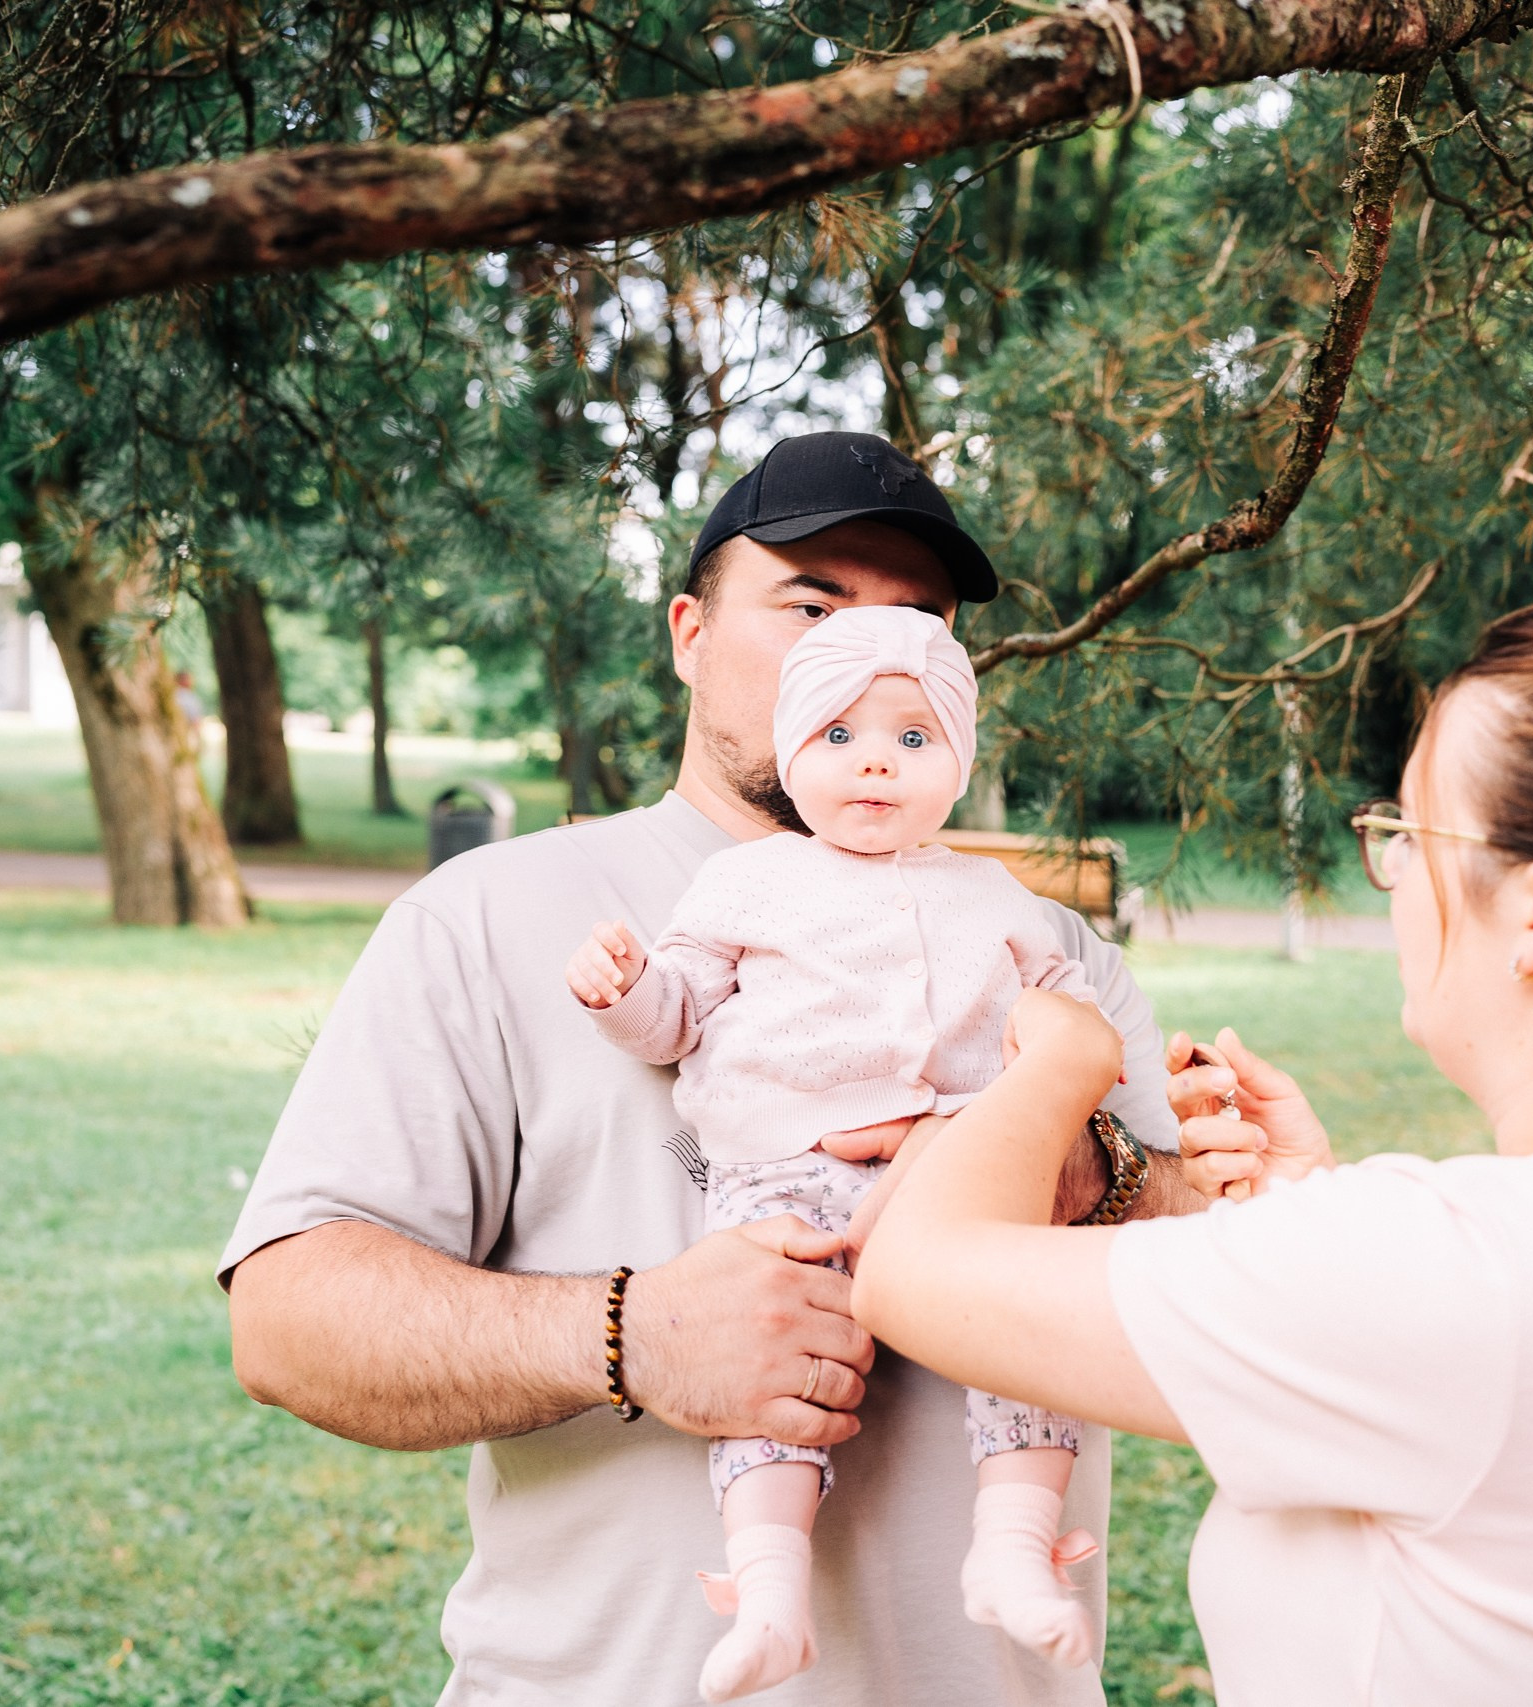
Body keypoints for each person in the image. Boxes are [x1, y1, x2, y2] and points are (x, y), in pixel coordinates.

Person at [853, 593, 1533, 1706]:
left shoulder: (1458, 1272)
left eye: (1406, 834)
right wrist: (1311, 1203)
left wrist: (1061, 1054)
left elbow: (913, 1274)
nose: (1389, 875)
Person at [220, 431, 1201, 1707]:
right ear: (689, 632)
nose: (864, 652)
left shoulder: (1041, 945)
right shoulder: (493, 918)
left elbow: (1207, 1287)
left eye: (916, 623)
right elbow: (288, 1321)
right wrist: (632, 1332)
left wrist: (1084, 1166)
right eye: (810, 606)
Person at [571, 605, 1110, 1698]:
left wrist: (1050, 1081)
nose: (875, 762)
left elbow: (1064, 1018)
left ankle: (1013, 1545)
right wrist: (626, 993)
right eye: (837, 736)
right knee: (780, 1379)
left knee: (1028, 1327)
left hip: (957, 1170)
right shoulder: (746, 883)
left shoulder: (995, 897)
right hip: (791, 1173)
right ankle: (770, 1594)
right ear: (790, 750)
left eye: (913, 740)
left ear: (957, 759)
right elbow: (677, 1014)